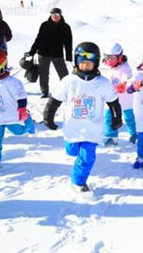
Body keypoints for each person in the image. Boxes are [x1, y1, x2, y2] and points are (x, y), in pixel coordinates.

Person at [42, 42, 122, 192]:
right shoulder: (69, 81)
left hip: (92, 130)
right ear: (76, 62)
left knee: (87, 157)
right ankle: (78, 161)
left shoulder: (103, 84)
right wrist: (48, 116)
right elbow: (55, 100)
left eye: (89, 64)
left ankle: (78, 181)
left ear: (96, 63)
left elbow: (113, 103)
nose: (85, 67)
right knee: (72, 151)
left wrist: (117, 119)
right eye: (82, 63)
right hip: (72, 129)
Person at [27, 8, 73, 98]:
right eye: (53, 15)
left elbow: (68, 43)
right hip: (43, 53)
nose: (55, 17)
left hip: (57, 54)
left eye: (57, 15)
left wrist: (69, 56)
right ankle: (44, 92)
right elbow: (38, 39)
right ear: (50, 15)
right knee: (44, 74)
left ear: (60, 15)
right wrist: (32, 51)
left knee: (64, 74)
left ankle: (67, 91)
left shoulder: (65, 27)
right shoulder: (44, 25)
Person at [101, 42, 137, 145]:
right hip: (111, 99)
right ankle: (111, 137)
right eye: (108, 57)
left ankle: (134, 134)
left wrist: (123, 84)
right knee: (108, 117)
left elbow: (128, 79)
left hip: (125, 99)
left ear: (120, 57)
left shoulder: (125, 67)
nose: (110, 60)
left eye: (113, 58)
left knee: (129, 117)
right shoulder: (104, 67)